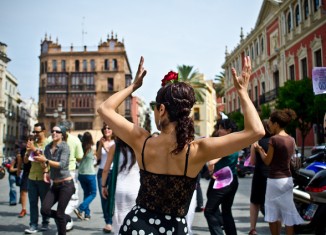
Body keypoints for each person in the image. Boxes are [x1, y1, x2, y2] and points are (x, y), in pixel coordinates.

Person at [96, 56, 264, 234]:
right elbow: (256, 131)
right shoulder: (198, 150)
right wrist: (243, 92)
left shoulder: (142, 141)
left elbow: (105, 108)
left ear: (162, 110)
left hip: (138, 225)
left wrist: (133, 86)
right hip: (174, 228)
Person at [254, 109, 304, 235]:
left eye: (270, 122)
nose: (269, 125)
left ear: (276, 124)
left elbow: (267, 161)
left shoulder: (274, 140)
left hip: (274, 180)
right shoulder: (291, 139)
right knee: (288, 214)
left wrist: (260, 150)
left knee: (272, 214)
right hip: (287, 179)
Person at [34, 125, 75, 235]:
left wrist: (45, 160)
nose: (54, 133)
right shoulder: (47, 148)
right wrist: (46, 172)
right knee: (44, 210)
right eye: (52, 131)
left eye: (57, 131)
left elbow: (62, 165)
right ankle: (66, 217)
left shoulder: (64, 147)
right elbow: (45, 163)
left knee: (59, 215)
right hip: (55, 185)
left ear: (62, 134)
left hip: (66, 185)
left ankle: (63, 219)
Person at [204, 119, 240, 235]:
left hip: (223, 182)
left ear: (229, 130)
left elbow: (211, 162)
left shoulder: (226, 144)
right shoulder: (235, 142)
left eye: (221, 128)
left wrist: (210, 170)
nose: (218, 131)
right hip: (232, 180)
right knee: (226, 211)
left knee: (209, 211)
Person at [102, 137, 140, 234]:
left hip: (119, 188)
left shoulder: (114, 147)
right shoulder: (138, 145)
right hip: (135, 187)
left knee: (119, 217)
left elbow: (106, 169)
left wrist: (103, 186)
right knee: (135, 216)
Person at [55, 120, 83, 231]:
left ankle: (64, 219)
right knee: (73, 198)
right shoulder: (75, 140)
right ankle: (65, 217)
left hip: (55, 172)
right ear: (70, 129)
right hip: (69, 172)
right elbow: (80, 156)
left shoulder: (51, 138)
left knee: (59, 197)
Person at [24, 123, 50, 234]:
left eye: (37, 132)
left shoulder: (48, 144)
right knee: (33, 202)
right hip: (32, 177)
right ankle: (33, 225)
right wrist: (28, 152)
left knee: (45, 203)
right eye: (34, 132)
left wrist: (34, 149)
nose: (35, 134)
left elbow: (46, 160)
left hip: (43, 177)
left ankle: (45, 222)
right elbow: (26, 162)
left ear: (44, 131)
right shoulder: (32, 143)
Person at [248, 120, 272, 235]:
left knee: (255, 201)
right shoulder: (275, 141)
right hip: (273, 174)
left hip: (259, 174)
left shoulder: (257, 142)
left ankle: (253, 228)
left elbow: (252, 161)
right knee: (272, 202)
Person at [96, 123, 115, 233]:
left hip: (112, 172)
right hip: (101, 171)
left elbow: (112, 156)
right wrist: (100, 145)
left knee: (112, 196)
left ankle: (114, 219)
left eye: (109, 128)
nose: (107, 130)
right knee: (104, 197)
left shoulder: (115, 143)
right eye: (105, 128)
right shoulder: (101, 141)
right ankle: (108, 222)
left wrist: (106, 147)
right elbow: (98, 157)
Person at [74, 132, 97, 221]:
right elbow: (97, 160)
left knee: (86, 193)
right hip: (90, 174)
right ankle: (80, 208)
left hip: (81, 174)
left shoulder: (80, 149)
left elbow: (78, 160)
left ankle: (87, 214)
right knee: (93, 193)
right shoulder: (92, 150)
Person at [16, 135, 33, 218]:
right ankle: (23, 209)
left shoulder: (36, 149)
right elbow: (20, 161)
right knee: (23, 190)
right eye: (27, 141)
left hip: (36, 172)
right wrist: (18, 170)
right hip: (26, 172)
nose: (28, 143)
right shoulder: (23, 150)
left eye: (30, 141)